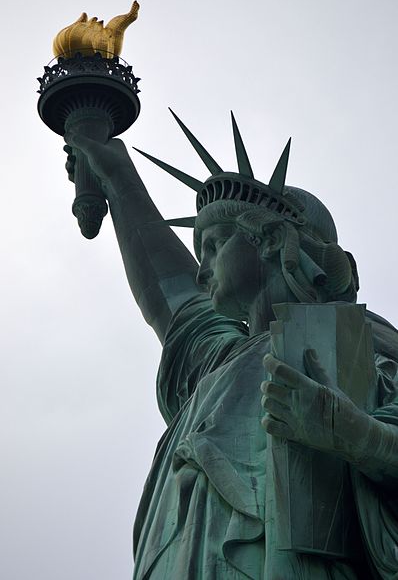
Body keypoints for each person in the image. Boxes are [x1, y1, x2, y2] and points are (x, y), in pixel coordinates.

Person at [64, 111, 398, 579]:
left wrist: (354, 434)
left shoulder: (364, 343)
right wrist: (113, 169)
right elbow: (173, 298)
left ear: (271, 240)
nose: (203, 271)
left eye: (215, 245)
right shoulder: (222, 360)